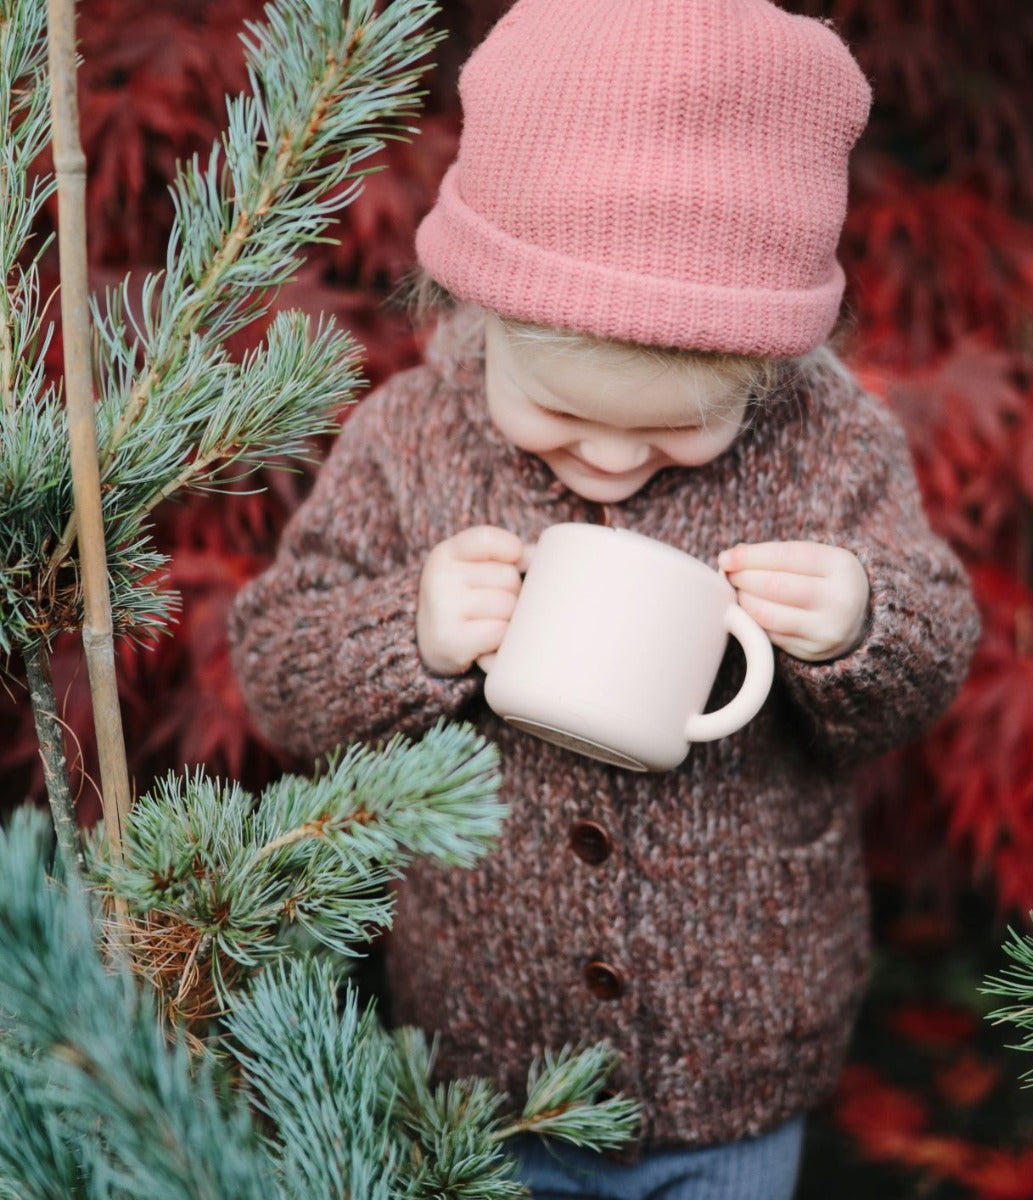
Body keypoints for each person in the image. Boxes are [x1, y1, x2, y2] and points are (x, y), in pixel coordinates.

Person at [229, 1, 981, 1196]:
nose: (614, 462)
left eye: (677, 432)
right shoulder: (413, 439)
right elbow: (274, 657)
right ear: (479, 315)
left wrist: (860, 626)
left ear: (767, 368)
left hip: (736, 1064)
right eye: (565, 415)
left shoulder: (829, 448)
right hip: (482, 1060)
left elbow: (935, 646)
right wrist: (407, 635)